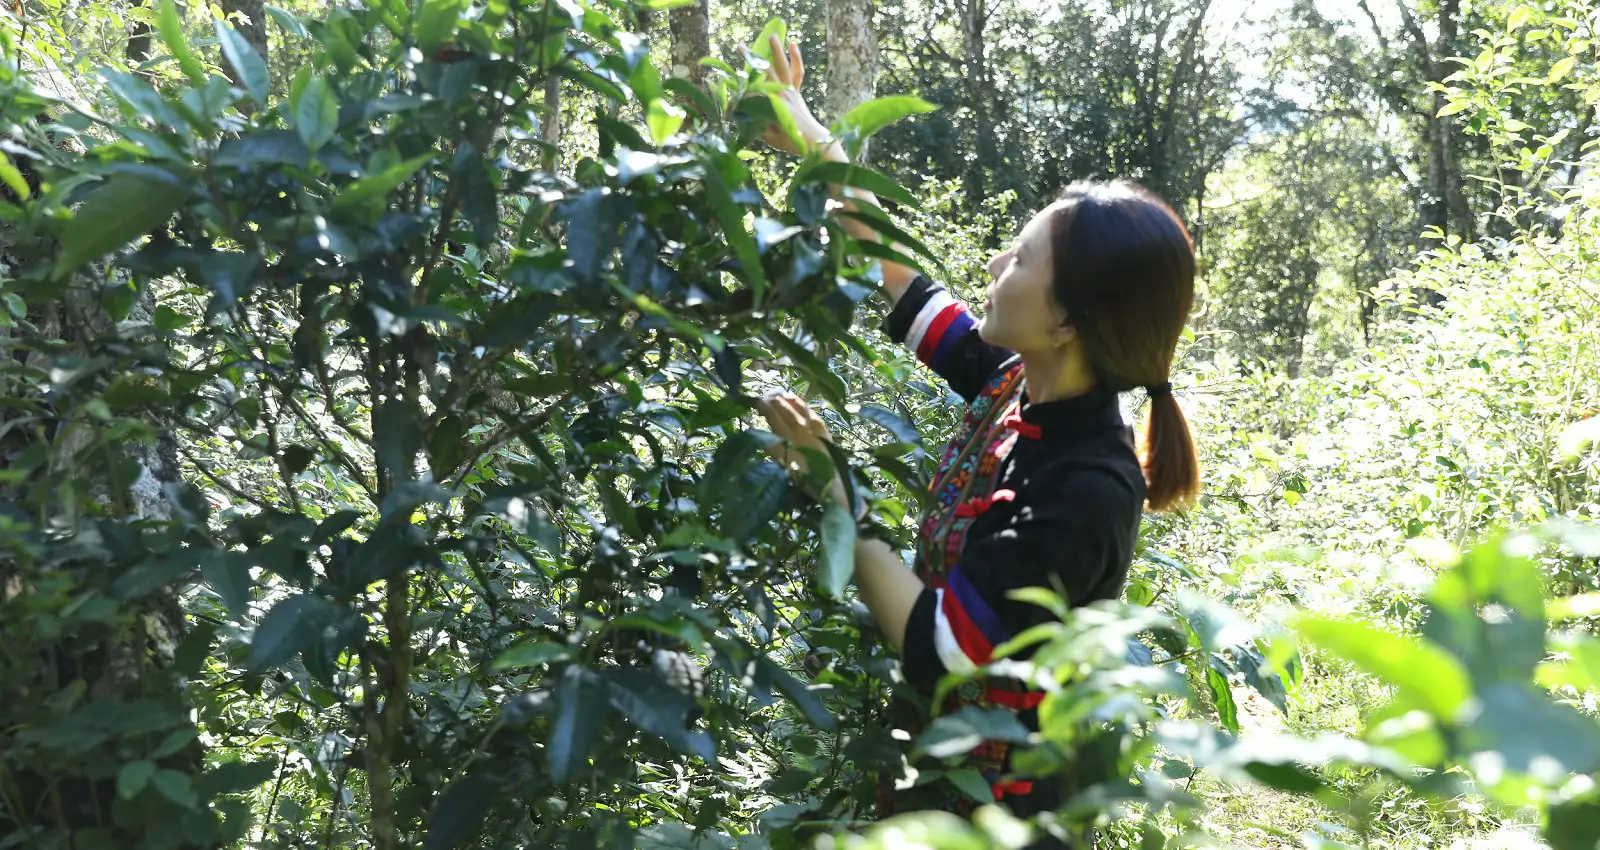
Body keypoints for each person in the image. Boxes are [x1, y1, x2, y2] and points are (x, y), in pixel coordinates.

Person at [748, 37, 1201, 848]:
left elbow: (938, 644)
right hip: (934, 782)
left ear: (1065, 320)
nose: (997, 263)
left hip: (1006, 818)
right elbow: (903, 285)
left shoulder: (1086, 486)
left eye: (1021, 257)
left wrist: (838, 494)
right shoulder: (1016, 381)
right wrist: (813, 141)